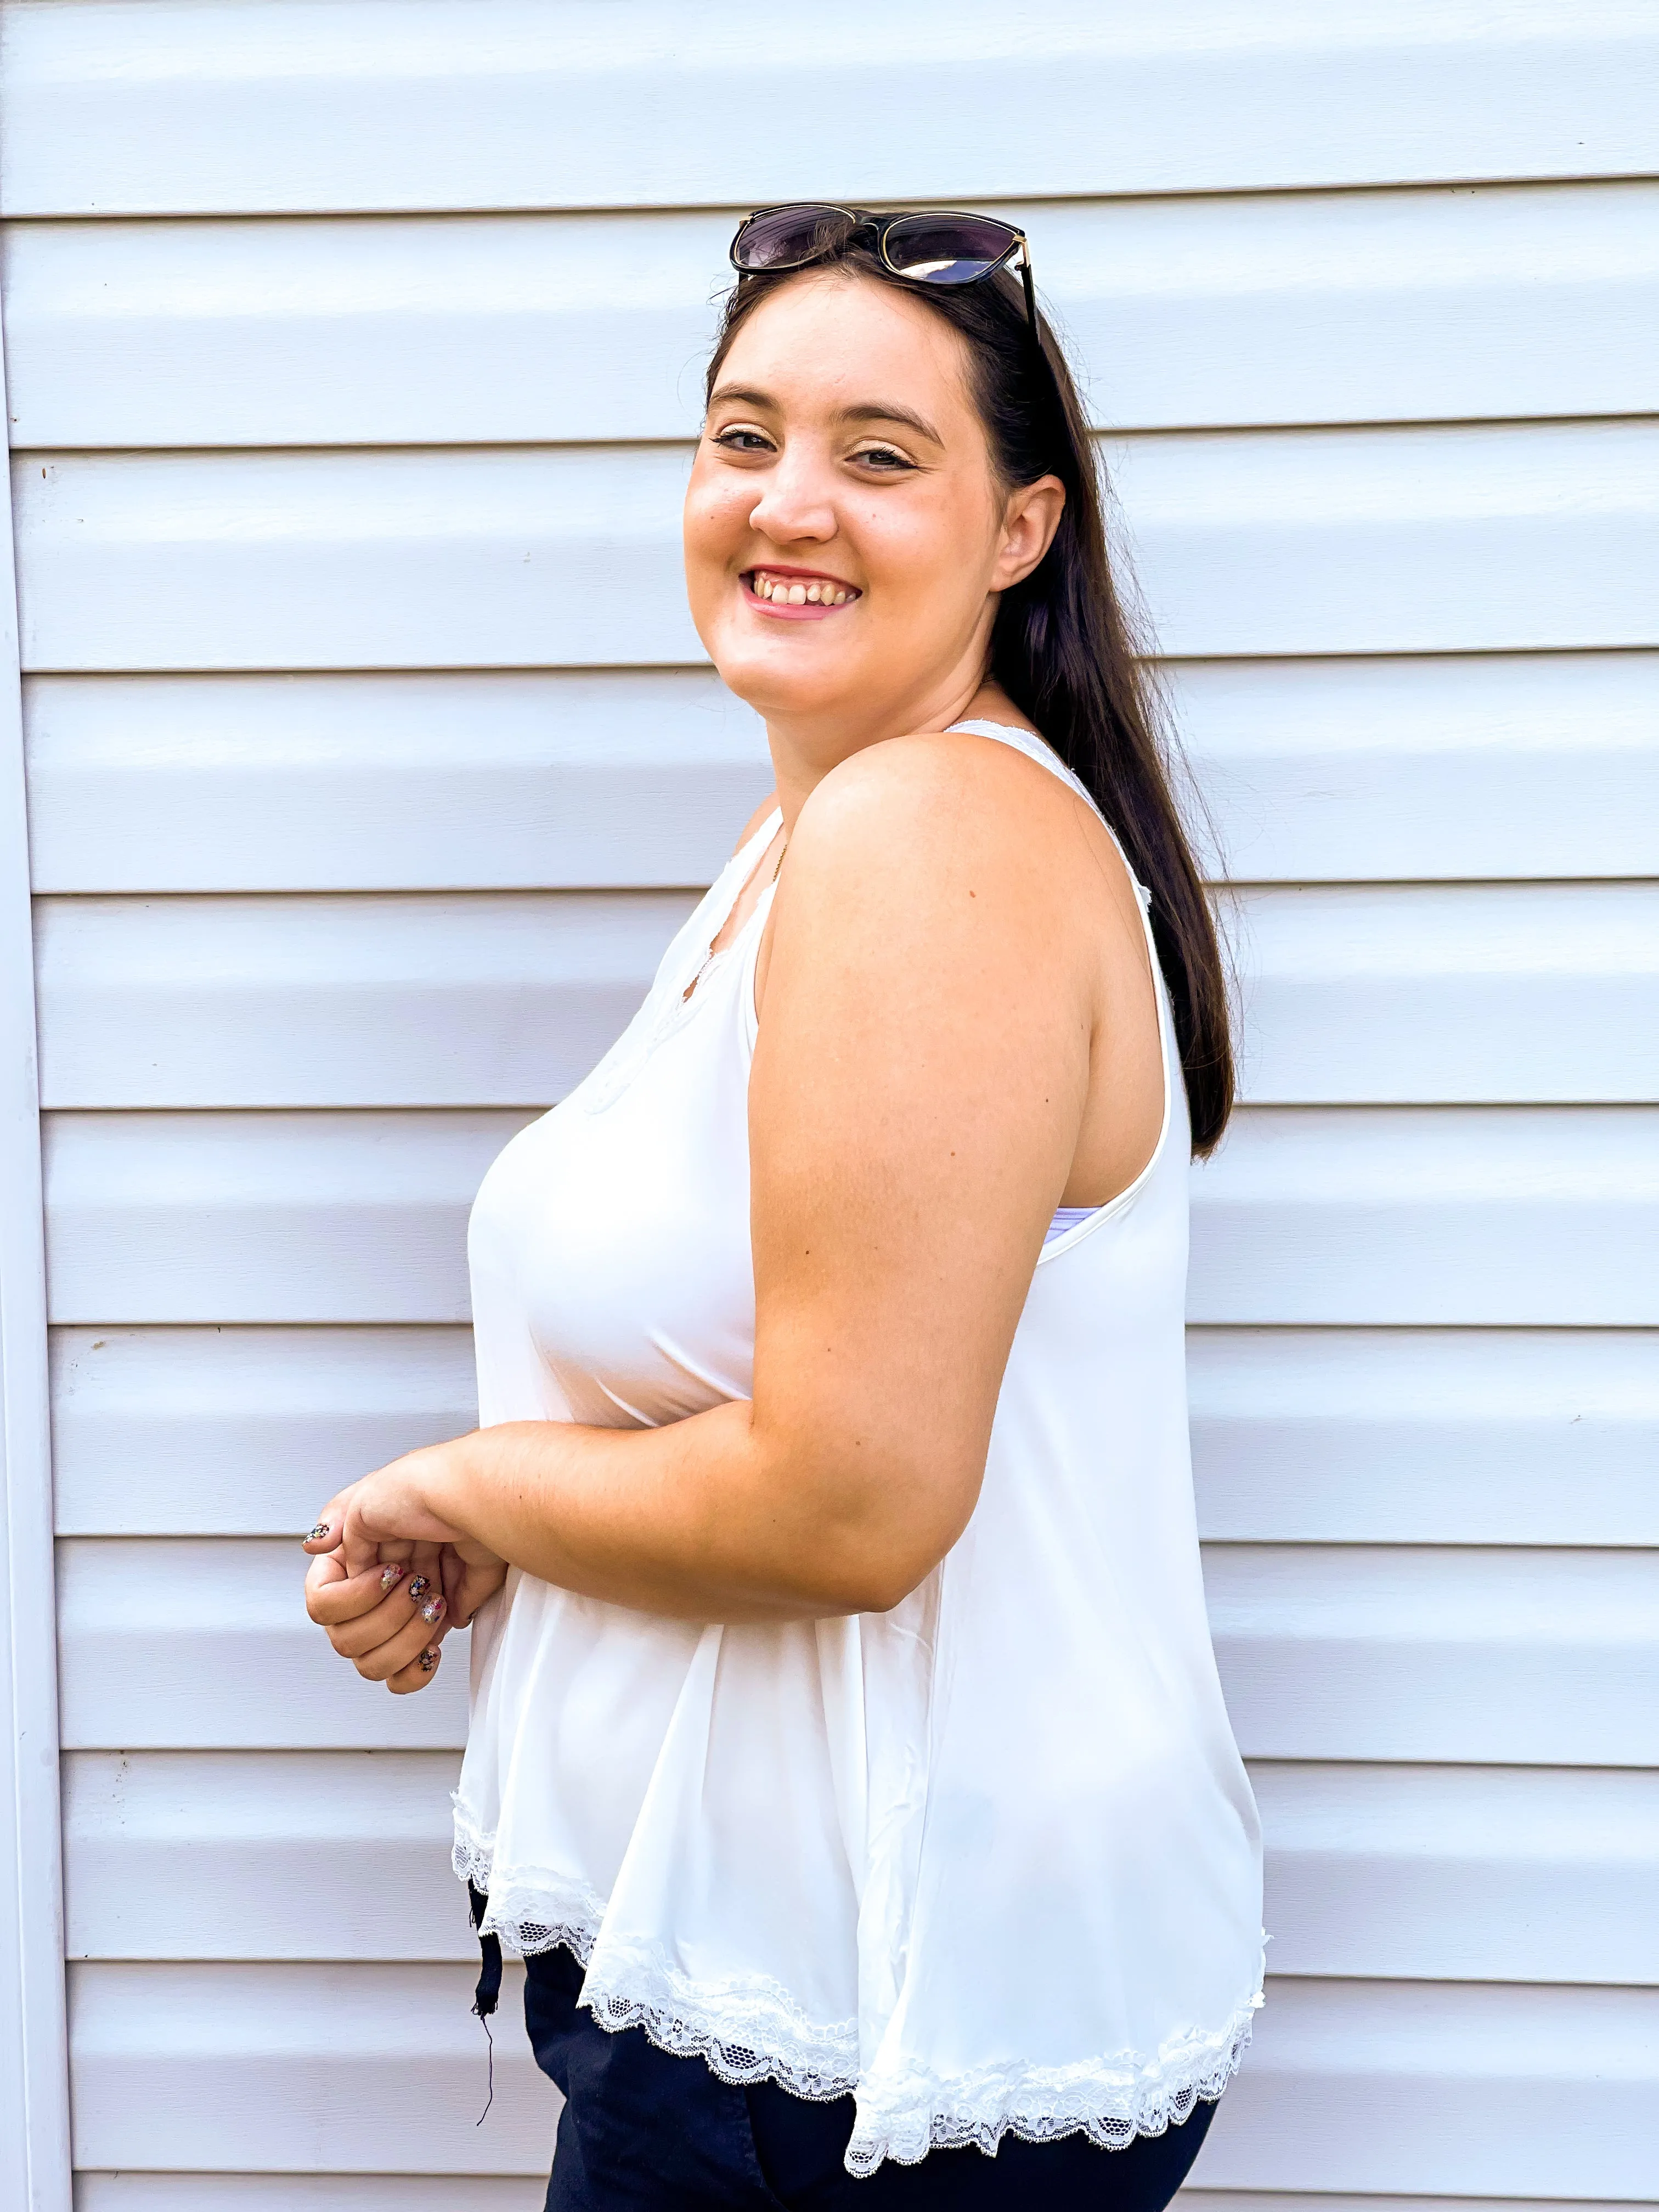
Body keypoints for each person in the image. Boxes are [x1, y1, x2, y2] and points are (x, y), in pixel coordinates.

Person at [303, 204, 1264, 2210]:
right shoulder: (824, 825)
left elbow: (849, 1500)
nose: (785, 503)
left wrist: (463, 1488)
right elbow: (765, 1382)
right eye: (742, 437)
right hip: (770, 2014)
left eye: (880, 453)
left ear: (1023, 531)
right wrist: (553, 1522)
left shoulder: (926, 834)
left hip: (849, 2057)